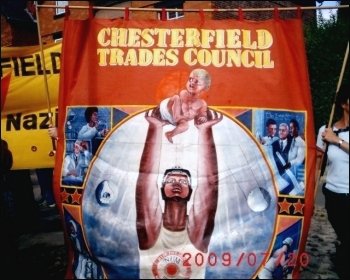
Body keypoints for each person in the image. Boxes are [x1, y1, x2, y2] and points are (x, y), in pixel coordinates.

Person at [136, 109, 222, 279]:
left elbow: (210, 185)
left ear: (191, 191)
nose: (176, 183)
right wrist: (155, 129)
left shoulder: (198, 232)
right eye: (171, 180)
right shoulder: (151, 230)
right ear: (161, 188)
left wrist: (205, 131)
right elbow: (145, 183)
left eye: (183, 181)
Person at [316, 83, 349, 279]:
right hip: (334, 195)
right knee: (345, 236)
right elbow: (318, 162)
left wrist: (337, 141)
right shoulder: (326, 130)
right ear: (344, 104)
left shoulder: (335, 137)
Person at [154, 68, 211, 143]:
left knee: (185, 126)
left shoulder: (202, 104)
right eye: (190, 79)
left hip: (179, 119)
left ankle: (170, 134)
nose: (192, 83)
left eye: (196, 82)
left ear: (205, 88)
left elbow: (203, 113)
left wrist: (202, 117)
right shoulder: (184, 93)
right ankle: (166, 115)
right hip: (168, 109)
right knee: (176, 98)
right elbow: (182, 105)